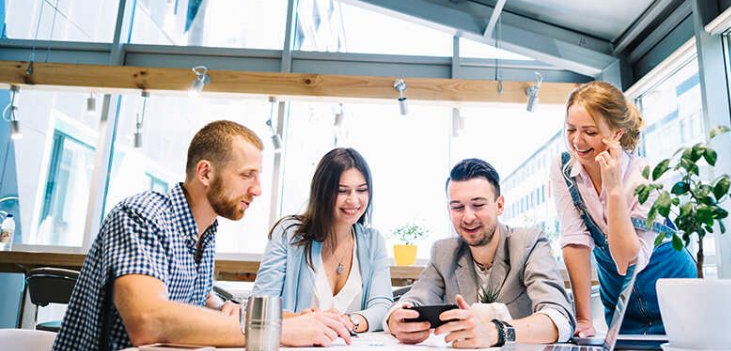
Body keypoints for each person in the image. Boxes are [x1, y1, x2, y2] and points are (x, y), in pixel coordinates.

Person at [53, 121, 352, 351]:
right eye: (247, 175)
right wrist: (279, 331)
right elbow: (148, 320)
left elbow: (206, 306)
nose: (258, 189)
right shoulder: (143, 215)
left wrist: (297, 320)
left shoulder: (205, 231)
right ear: (206, 173)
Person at [550, 81, 696, 336]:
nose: (577, 140)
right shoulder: (564, 170)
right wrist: (583, 320)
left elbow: (625, 261)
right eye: (571, 129)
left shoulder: (645, 178)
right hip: (621, 304)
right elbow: (575, 241)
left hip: (676, 298)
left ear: (616, 133)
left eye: (590, 132)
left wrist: (615, 189)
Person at [385, 158, 574, 348]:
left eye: (478, 205)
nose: (467, 217)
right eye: (457, 207)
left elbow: (559, 318)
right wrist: (395, 319)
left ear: (499, 205)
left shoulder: (529, 243)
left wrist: (496, 332)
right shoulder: (443, 252)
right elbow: (416, 297)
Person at [253, 147, 392, 334]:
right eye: (342, 191)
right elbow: (261, 306)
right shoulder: (288, 234)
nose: (353, 200)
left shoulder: (374, 242)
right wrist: (304, 321)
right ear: (322, 192)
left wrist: (349, 322)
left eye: (361, 190)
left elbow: (382, 306)